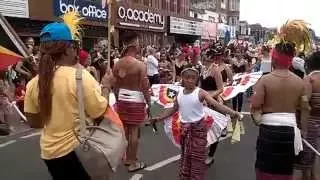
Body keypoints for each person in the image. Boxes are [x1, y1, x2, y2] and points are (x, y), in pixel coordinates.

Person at [24, 13, 111, 179]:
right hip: (79, 150)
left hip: (49, 153)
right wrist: (106, 86)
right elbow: (100, 113)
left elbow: (34, 122)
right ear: (68, 49)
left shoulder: (34, 83)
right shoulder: (81, 76)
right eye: (75, 46)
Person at [151, 67, 241, 180]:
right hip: (184, 130)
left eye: (193, 78)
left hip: (198, 130)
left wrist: (234, 113)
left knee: (197, 159)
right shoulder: (179, 93)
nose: (190, 80)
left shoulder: (200, 92)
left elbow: (216, 104)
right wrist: (159, 117)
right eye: (187, 77)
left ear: (197, 79)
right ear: (182, 78)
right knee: (186, 156)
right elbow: (173, 109)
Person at [251, 41, 309, 180]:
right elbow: (305, 109)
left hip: (269, 131)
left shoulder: (265, 80)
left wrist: (257, 116)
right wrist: (302, 131)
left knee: (265, 171)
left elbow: (255, 108)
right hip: (290, 132)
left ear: (274, 58)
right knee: (285, 171)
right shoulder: (300, 82)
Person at [112, 31, 151, 172]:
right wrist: (149, 102)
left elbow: (115, 85)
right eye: (138, 42)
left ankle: (126, 157)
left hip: (122, 98)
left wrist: (117, 98)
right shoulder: (140, 65)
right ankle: (132, 161)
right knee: (134, 131)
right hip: (136, 99)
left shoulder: (117, 64)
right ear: (134, 45)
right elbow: (145, 86)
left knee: (126, 130)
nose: (140, 45)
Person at [296, 51, 320, 180]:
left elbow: (305, 105)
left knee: (308, 154)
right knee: (314, 152)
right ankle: (313, 175)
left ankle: (308, 177)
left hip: (311, 121)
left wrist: (303, 128)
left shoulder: (310, 79)